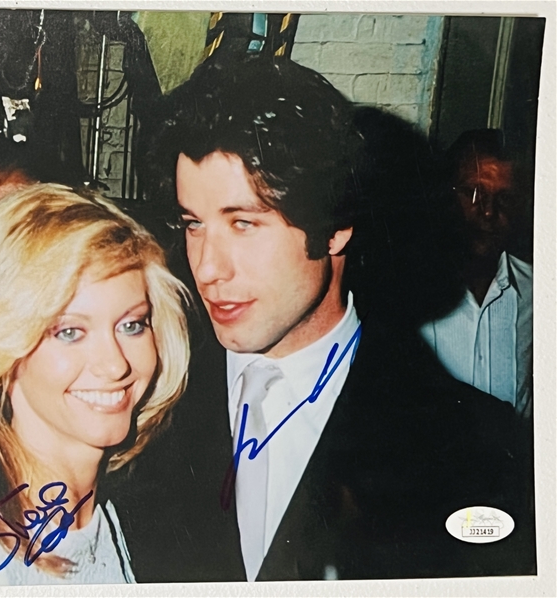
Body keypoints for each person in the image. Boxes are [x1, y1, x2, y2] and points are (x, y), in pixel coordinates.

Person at [105, 55, 534, 582]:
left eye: (243, 223)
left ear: (335, 226)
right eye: (194, 225)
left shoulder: (471, 447)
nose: (207, 268)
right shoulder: (134, 398)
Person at [0, 183, 190, 587]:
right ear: (1, 350)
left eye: (131, 325)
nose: (115, 364)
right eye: (69, 332)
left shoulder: (95, 519)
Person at [419, 129, 533, 418]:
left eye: (505, 198)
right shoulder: (404, 288)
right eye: (474, 193)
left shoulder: (537, 293)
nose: (487, 212)